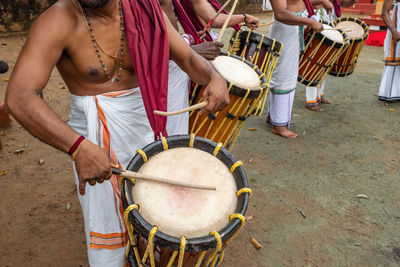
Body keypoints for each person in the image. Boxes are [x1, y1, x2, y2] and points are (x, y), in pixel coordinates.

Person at [5, 0, 229, 266]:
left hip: (149, 126)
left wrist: (214, 76)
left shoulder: (145, 9)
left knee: (161, 211)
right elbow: (20, 96)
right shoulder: (59, 19)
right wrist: (78, 147)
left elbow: (187, 56)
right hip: (92, 141)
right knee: (109, 227)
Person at [159, 0, 224, 136]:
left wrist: (184, 41)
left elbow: (163, 29)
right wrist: (190, 49)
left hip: (173, 63)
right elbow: (136, 43)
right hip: (157, 72)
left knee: (175, 133)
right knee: (162, 136)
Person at [267, 0, 323, 138]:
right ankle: (279, 124)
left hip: (293, 27)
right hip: (285, 27)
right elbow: (280, 13)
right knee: (283, 74)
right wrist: (309, 22)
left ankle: (273, 116)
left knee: (286, 73)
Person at [305, 0, 356, 112]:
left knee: (325, 64)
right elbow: (310, 3)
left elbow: (342, 4)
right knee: (315, 64)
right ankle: (311, 101)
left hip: (328, 26)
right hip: (318, 27)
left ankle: (320, 95)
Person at [173, 0, 260, 42]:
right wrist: (245, 17)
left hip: (196, 42)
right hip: (201, 44)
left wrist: (240, 19)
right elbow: (214, 20)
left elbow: (216, 15)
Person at [378, 0, 400, 105]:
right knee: (393, 60)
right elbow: (384, 12)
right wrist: (393, 30)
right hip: (397, 25)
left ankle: (396, 93)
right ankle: (384, 95)